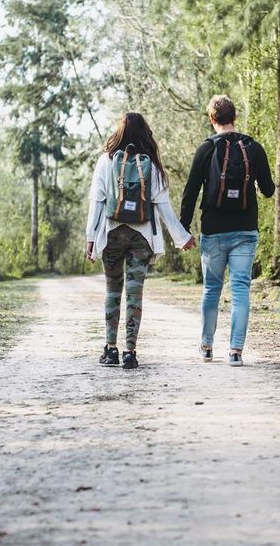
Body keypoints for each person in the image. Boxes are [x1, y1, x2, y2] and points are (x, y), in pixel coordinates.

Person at [85, 112, 196, 369]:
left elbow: (97, 203)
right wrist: (182, 238)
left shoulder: (105, 161)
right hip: (141, 237)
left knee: (112, 290)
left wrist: (91, 238)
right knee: (135, 293)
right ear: (145, 133)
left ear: (119, 132)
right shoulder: (151, 164)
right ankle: (130, 353)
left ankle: (110, 350)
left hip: (111, 234)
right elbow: (164, 208)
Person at [179, 95, 275, 366]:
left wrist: (183, 231)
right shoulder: (253, 148)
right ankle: (235, 352)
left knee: (212, 289)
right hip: (245, 229)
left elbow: (190, 193)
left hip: (213, 230)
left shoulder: (206, 149)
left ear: (212, 119)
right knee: (241, 288)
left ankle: (207, 347)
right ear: (235, 117)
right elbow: (269, 190)